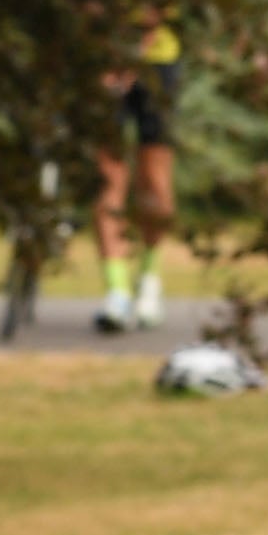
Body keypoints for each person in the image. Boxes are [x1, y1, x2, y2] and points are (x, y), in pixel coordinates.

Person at [88, 17, 182, 332]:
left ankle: (149, 275)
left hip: (158, 65)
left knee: (154, 180)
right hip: (103, 60)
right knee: (108, 177)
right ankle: (118, 290)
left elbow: (155, 8)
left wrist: (130, 61)